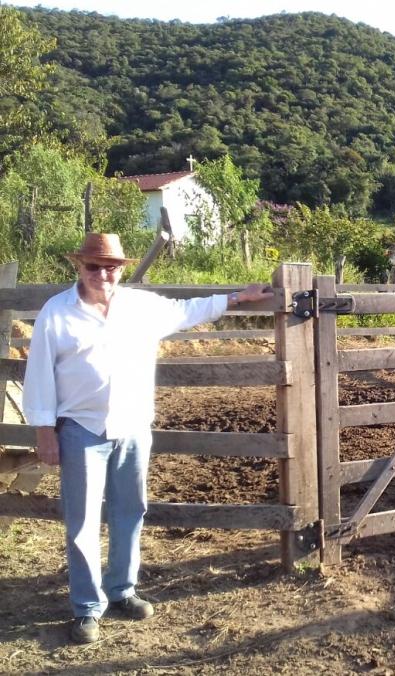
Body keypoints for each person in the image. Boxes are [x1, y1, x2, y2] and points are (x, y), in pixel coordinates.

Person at [22, 232, 273, 644]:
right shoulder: (57, 312)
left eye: (111, 266)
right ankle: (87, 607)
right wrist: (44, 432)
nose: (103, 274)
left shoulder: (141, 306)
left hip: (133, 426)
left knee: (130, 510)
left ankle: (122, 590)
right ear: (78, 267)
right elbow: (39, 377)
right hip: (82, 429)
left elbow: (189, 309)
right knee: (82, 521)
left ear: (121, 268)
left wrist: (237, 297)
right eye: (93, 266)